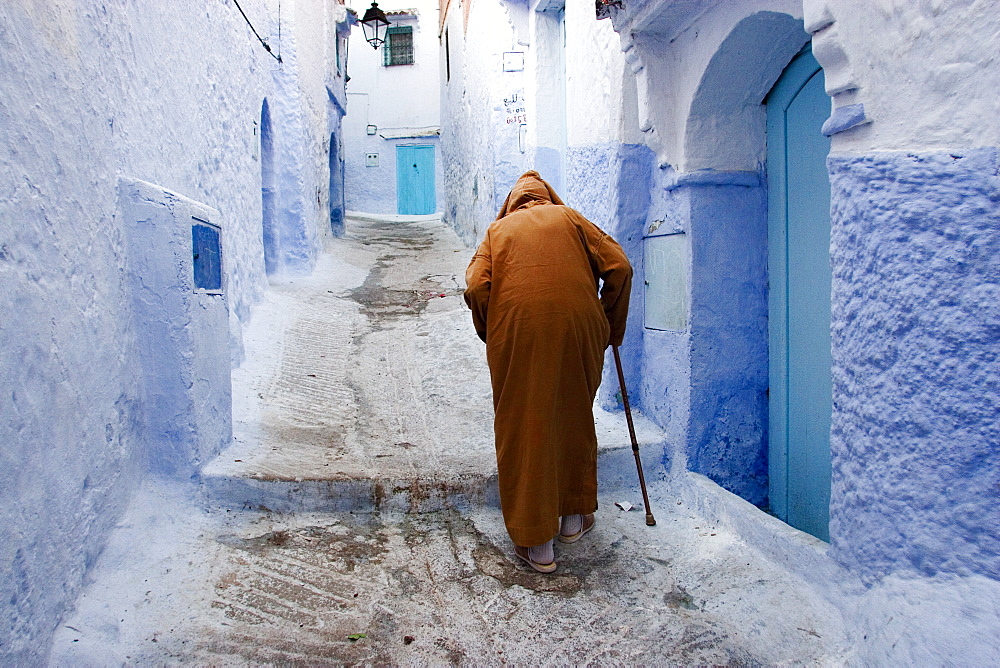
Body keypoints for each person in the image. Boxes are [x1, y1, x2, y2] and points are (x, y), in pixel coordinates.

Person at [464, 170, 632, 573]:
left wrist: (493, 328)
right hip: (579, 329)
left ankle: (538, 544)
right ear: (547, 197)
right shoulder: (571, 218)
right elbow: (620, 267)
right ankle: (573, 521)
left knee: (525, 424)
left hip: (518, 331)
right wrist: (608, 324)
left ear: (513, 203)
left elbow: (475, 287)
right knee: (574, 414)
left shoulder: (498, 230)